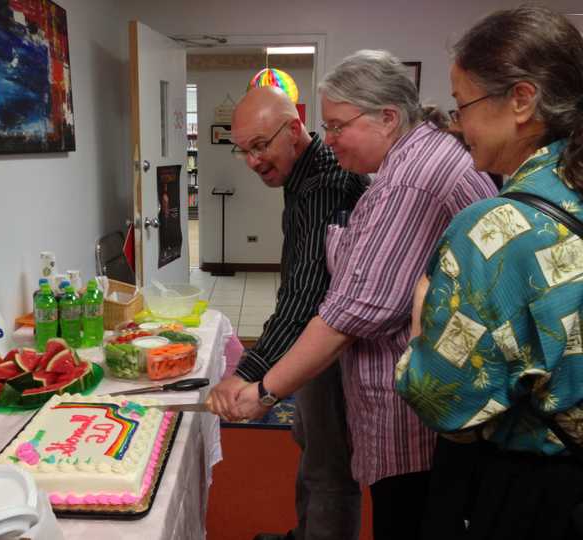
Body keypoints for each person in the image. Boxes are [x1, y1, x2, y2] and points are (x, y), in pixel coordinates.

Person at [221, 50, 497, 540]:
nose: (326, 141)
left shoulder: (406, 181)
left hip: (416, 404)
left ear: (388, 118)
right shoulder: (406, 161)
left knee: (389, 507)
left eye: (336, 126)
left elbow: (347, 311)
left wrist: (262, 386)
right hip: (428, 390)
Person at [395, 6, 583, 539]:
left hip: (533, 491)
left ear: (522, 100)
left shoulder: (496, 229)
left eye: (463, 106)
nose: (459, 126)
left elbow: (445, 402)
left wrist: (418, 325)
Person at [208, 85, 368, 540]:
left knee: (329, 467)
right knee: (311, 442)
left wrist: (249, 371)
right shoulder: (304, 174)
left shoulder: (322, 185)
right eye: (244, 151)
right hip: (317, 337)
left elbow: (304, 297)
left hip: (332, 344)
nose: (254, 161)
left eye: (261, 146)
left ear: (294, 129)